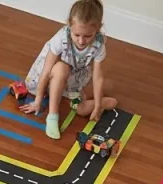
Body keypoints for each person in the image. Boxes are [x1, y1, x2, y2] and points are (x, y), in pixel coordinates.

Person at [21, 0, 116, 140]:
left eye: (88, 36)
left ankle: (101, 102)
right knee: (61, 68)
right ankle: (52, 116)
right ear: (69, 25)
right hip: (49, 75)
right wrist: (38, 100)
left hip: (72, 77)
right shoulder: (61, 38)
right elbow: (46, 70)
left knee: (82, 109)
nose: (81, 41)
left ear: (97, 29)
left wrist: (96, 107)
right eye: (77, 35)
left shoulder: (98, 44)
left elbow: (98, 77)